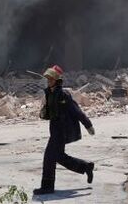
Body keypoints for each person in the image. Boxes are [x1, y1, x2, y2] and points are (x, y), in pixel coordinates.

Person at [34, 65, 94, 196]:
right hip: (54, 130)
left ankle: (47, 186)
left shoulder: (63, 94)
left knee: (49, 158)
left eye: (51, 79)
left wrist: (88, 125)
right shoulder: (49, 93)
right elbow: (48, 114)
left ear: (57, 80)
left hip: (62, 130)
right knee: (59, 157)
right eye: (48, 79)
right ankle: (86, 167)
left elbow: (76, 111)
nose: (49, 81)